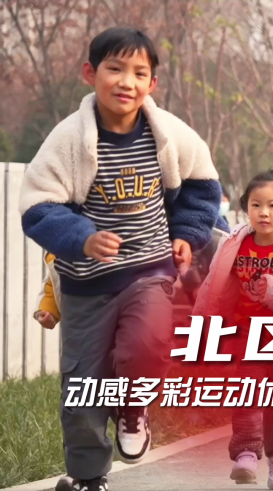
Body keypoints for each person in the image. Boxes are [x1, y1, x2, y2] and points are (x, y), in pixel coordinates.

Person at [18, 27, 222, 491]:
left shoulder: (169, 134)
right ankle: (89, 477)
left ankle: (133, 408)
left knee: (148, 344)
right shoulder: (69, 139)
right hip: (85, 283)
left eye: (139, 73)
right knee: (82, 386)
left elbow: (202, 184)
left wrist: (187, 234)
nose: (126, 81)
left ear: (152, 83)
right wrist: (83, 238)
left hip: (148, 271)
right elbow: (38, 206)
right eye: (114, 69)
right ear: (90, 73)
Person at [191, 170, 273, 489]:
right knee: (246, 392)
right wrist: (202, 325)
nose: (264, 212)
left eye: (272, 205)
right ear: (245, 208)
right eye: (256, 205)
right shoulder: (234, 243)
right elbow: (213, 285)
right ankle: (246, 453)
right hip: (247, 334)